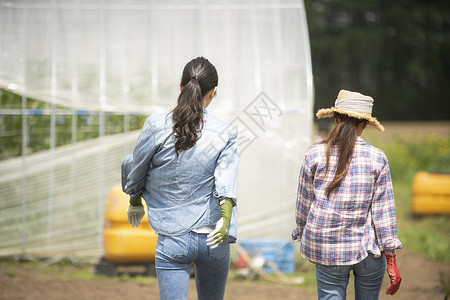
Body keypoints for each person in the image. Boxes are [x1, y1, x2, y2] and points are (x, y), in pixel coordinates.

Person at [122, 57, 239, 300]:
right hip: (214, 239)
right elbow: (225, 180)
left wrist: (134, 200)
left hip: (172, 238)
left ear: (180, 86)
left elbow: (136, 168)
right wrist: (225, 219)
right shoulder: (226, 133)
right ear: (213, 92)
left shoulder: (155, 125)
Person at [292, 90, 402, 299]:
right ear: (365, 124)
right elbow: (383, 213)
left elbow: (303, 206)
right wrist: (391, 257)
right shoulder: (377, 158)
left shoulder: (314, 155)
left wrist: (303, 235)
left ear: (335, 118)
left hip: (327, 250)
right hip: (367, 251)